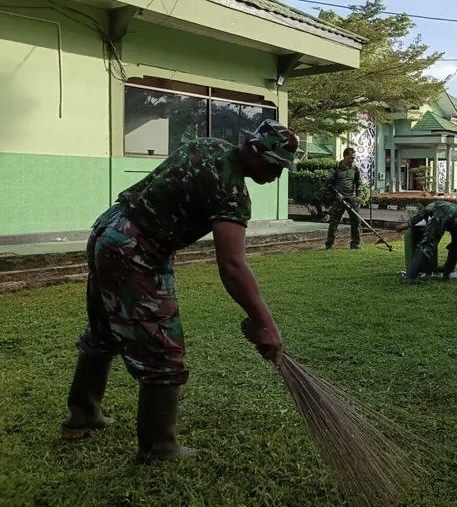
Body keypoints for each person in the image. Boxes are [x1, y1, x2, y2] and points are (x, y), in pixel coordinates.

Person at [61, 119, 298, 464]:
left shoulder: (209, 146)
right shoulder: (231, 191)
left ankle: (83, 413)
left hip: (109, 230)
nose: (277, 175)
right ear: (255, 152)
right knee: (164, 351)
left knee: (103, 331)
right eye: (276, 165)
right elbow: (232, 265)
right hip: (136, 251)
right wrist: (265, 323)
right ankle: (158, 447)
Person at [395, 200, 457, 282]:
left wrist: (403, 226)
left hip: (443, 214)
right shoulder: (442, 204)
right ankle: (448, 270)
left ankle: (410, 277)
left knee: (427, 244)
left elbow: (418, 217)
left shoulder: (430, 206)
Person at [324, 147, 362, 250]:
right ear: (345, 156)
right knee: (334, 222)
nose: (352, 160)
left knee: (356, 221)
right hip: (339, 199)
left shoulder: (355, 169)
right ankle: (329, 244)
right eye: (350, 158)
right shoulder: (336, 168)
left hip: (351, 199)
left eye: (354, 158)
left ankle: (355, 243)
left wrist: (358, 196)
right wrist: (336, 193)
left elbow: (358, 183)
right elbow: (328, 184)